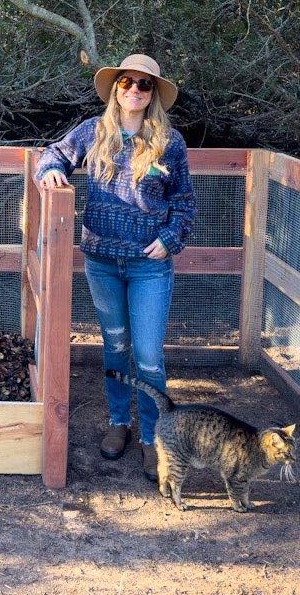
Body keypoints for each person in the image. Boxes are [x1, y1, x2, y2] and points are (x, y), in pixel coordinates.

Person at [36, 54, 197, 481]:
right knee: (115, 346)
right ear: (115, 87)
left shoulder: (170, 142)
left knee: (147, 356)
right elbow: (52, 155)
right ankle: (118, 423)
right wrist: (52, 171)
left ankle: (154, 437)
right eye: (127, 82)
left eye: (144, 85)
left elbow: (184, 204)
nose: (134, 90)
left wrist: (168, 240)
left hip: (149, 266)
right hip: (101, 261)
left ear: (153, 94)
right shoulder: (94, 131)